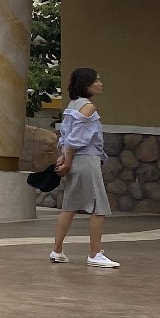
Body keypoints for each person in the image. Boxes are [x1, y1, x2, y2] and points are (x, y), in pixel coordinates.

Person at [51, 67, 118, 269]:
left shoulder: (72, 106)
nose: (100, 83)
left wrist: (64, 157)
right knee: (99, 208)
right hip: (87, 161)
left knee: (69, 206)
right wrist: (68, 159)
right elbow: (76, 139)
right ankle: (95, 254)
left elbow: (66, 137)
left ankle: (57, 250)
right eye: (96, 80)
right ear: (86, 84)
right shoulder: (88, 107)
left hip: (76, 161)